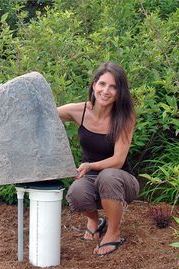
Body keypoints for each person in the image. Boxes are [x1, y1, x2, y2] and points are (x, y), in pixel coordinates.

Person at [57, 61, 139, 256]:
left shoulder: (125, 117)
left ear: (120, 92)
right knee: (76, 192)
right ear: (94, 85)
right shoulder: (80, 111)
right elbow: (47, 113)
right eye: (102, 84)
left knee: (108, 176)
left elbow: (118, 160)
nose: (106, 91)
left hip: (120, 180)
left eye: (113, 87)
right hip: (91, 178)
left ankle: (113, 232)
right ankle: (94, 220)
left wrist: (89, 165)